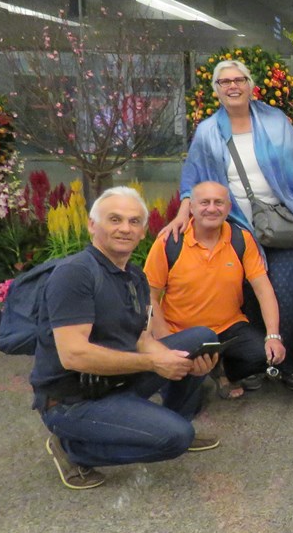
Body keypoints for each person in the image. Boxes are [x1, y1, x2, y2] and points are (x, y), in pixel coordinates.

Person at [30, 187, 220, 490]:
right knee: (176, 438)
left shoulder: (134, 276)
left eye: (134, 222)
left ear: (143, 232)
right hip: (74, 400)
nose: (125, 229)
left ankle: (158, 422)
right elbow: (73, 355)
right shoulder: (75, 274)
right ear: (92, 225)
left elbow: (143, 339)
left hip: (117, 381)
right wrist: (154, 364)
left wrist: (178, 362)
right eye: (115, 219)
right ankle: (73, 449)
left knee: (200, 340)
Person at [159, 59, 293, 391]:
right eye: (225, 81)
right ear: (216, 90)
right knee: (245, 296)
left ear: (250, 85)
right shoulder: (208, 131)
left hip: (281, 221)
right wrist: (183, 213)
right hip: (237, 225)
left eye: (239, 79)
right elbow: (193, 177)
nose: (233, 86)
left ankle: (286, 361)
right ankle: (256, 362)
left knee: (285, 294)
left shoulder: (275, 121)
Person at [143, 181, 284, 400]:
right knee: (185, 401)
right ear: (191, 207)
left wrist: (273, 336)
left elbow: (263, 289)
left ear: (228, 208)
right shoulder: (169, 242)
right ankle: (198, 372)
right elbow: (149, 296)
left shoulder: (241, 239)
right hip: (182, 331)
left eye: (218, 203)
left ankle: (222, 370)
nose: (211, 208)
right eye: (204, 203)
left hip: (228, 327)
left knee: (262, 355)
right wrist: (166, 342)